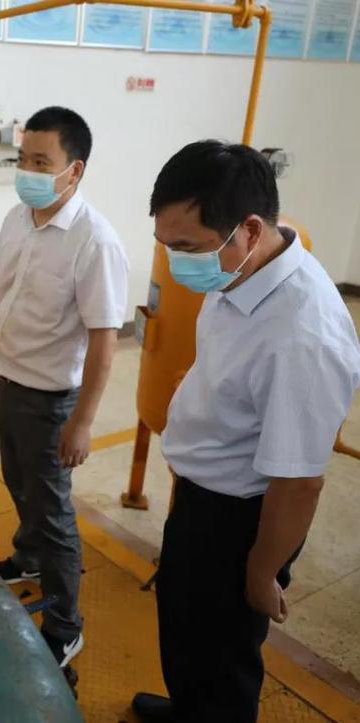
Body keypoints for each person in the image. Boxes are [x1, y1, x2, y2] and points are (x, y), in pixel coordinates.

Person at [132, 141, 360, 722]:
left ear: (250, 230)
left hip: (239, 521)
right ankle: (188, 709)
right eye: (165, 245)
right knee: (185, 624)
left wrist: (261, 571)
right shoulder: (238, 272)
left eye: (187, 248)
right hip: (202, 496)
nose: (176, 262)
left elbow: (299, 482)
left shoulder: (303, 335)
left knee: (223, 655)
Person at [0, 106, 129, 668]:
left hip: (52, 399)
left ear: (73, 170)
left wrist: (82, 422)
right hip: (10, 378)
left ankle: (65, 625)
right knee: (18, 482)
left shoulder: (94, 241)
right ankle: (28, 558)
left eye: (41, 162)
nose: (27, 171)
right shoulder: (18, 217)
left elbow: (105, 338)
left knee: (53, 511)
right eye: (23, 159)